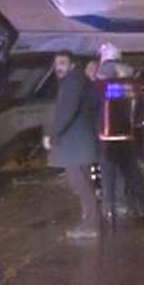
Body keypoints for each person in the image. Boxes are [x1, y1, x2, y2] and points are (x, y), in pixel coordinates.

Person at [44, 51, 102, 240]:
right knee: (83, 183)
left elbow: (66, 110)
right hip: (81, 143)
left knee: (80, 184)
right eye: (56, 64)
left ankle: (90, 225)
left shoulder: (71, 82)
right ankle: (90, 222)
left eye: (62, 63)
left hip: (75, 145)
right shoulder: (80, 81)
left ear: (72, 65)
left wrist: (52, 134)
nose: (58, 67)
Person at [94, 42, 144, 222]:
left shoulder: (103, 83)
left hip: (108, 135)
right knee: (132, 173)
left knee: (108, 175)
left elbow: (97, 99)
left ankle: (109, 210)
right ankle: (142, 207)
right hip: (128, 134)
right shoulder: (133, 85)